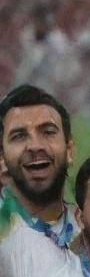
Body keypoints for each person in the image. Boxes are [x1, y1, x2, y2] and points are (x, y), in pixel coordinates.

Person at [0, 85, 78, 249]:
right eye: (19, 136)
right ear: (2, 157)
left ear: (69, 151)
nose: (35, 146)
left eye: (48, 132)